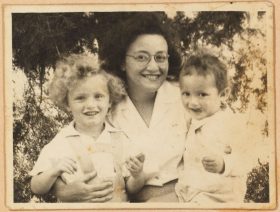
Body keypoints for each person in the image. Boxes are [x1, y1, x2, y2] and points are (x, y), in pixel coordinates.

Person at [54, 13, 188, 202]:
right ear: (122, 62)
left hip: (187, 199)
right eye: (142, 57)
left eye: (160, 57)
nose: (153, 66)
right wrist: (61, 189)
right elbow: (74, 143)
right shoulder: (106, 106)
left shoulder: (184, 96)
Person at [29, 54, 147, 202]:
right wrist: (54, 171)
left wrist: (137, 175)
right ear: (67, 104)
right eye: (80, 98)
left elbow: (131, 188)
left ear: (110, 101)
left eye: (98, 96)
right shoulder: (61, 142)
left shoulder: (120, 139)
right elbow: (36, 186)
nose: (91, 105)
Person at [175, 52, 255, 203]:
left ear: (223, 94)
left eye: (202, 95)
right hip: (192, 193)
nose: (192, 102)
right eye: (186, 94)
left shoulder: (229, 122)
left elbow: (246, 158)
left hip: (220, 197)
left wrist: (224, 164)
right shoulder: (192, 120)